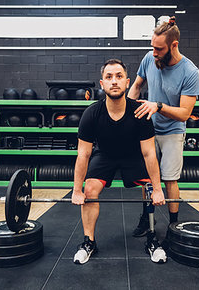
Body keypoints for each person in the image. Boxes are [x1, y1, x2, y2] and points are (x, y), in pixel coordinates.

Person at [71, 58, 167, 265]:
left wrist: (158, 189)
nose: (114, 81)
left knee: (149, 187)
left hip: (133, 155)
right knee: (89, 190)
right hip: (104, 155)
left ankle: (151, 237)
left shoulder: (140, 112)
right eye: (109, 77)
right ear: (102, 83)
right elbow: (83, 155)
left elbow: (149, 153)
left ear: (127, 82)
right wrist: (77, 190)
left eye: (119, 76)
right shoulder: (91, 114)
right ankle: (89, 242)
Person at [128, 16, 199, 237]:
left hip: (172, 131)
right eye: (152, 47)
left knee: (169, 179)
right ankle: (145, 217)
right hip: (148, 129)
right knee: (147, 178)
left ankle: (173, 225)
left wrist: (158, 106)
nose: (154, 53)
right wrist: (129, 111)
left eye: (159, 49)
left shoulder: (190, 72)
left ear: (174, 45)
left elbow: (184, 114)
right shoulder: (149, 59)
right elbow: (137, 85)